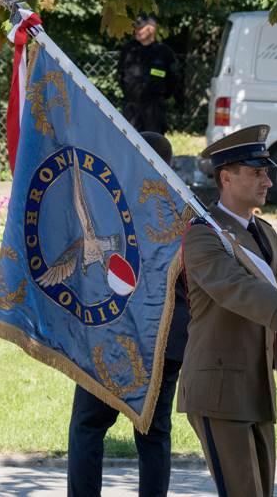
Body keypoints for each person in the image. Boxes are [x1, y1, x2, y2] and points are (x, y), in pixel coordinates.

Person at [178, 124, 277, 497]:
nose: (268, 180)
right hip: (219, 389)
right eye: (257, 172)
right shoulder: (202, 235)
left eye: (267, 171)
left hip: (257, 391)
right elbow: (240, 291)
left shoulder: (265, 232)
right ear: (227, 177)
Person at [67, 131, 190, 497]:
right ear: (169, 164)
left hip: (112, 333)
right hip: (165, 335)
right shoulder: (187, 207)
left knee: (88, 427)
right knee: (154, 433)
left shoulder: (110, 202)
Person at [118, 15, 181, 135]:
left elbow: (173, 79)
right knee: (129, 140)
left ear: (151, 29)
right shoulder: (128, 50)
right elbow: (120, 76)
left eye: (140, 28)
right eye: (135, 28)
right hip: (131, 107)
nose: (136, 31)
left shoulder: (164, 52)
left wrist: (159, 95)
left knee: (154, 142)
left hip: (154, 107)